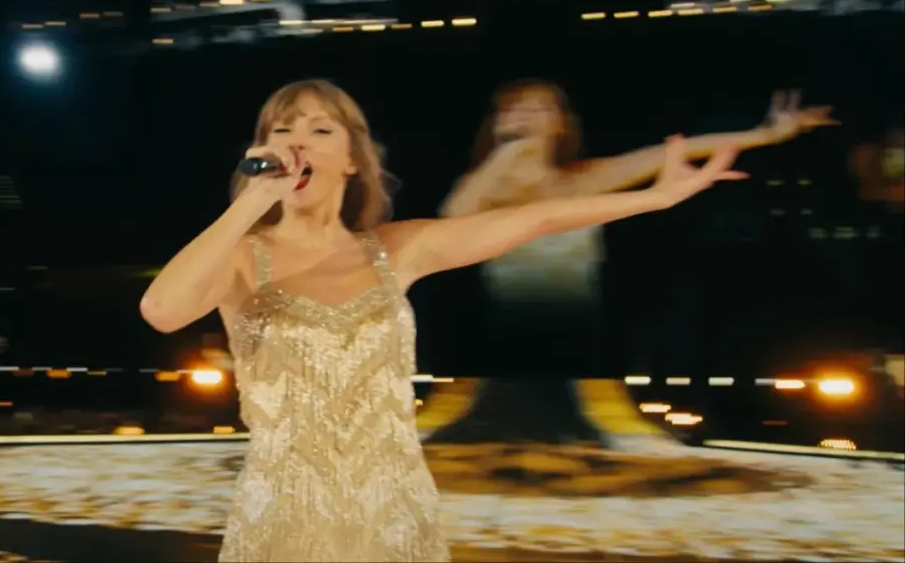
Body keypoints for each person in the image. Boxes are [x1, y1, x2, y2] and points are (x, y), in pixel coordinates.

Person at [139, 79, 743, 562]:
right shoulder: (242, 255)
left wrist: (655, 197)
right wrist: (252, 202)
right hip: (283, 519)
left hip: (393, 515)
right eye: (282, 130)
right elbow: (163, 312)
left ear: (351, 160)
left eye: (320, 129)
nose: (297, 144)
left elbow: (539, 218)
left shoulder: (397, 249)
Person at [432, 81, 836, 446]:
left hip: (575, 331)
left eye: (542, 107)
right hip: (504, 335)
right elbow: (451, 221)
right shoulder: (482, 185)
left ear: (561, 124)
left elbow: (673, 151)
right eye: (515, 107)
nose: (528, 113)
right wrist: (508, 152)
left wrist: (765, 134)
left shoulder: (584, 179)